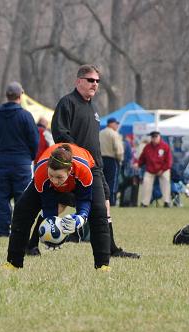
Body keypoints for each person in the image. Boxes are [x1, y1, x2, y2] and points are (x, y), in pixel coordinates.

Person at [51, 63, 137, 263]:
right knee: (61, 205)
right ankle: (30, 242)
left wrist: (95, 162)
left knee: (105, 204)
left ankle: (112, 248)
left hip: (95, 167)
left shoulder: (92, 107)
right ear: (78, 81)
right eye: (90, 80)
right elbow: (60, 134)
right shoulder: (67, 103)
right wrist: (75, 159)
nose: (95, 84)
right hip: (75, 167)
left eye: (97, 81)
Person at [3, 143, 94, 269]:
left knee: (99, 209)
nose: (55, 181)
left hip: (87, 170)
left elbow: (85, 199)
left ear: (70, 170)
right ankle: (13, 263)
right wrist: (52, 231)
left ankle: (103, 263)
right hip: (47, 184)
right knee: (21, 211)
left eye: (59, 177)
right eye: (51, 175)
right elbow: (48, 203)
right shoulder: (41, 173)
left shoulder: (83, 171)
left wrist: (81, 217)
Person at [0, 81, 39, 237]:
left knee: (1, 198)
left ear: (7, 96)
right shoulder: (25, 115)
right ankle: (19, 229)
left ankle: (3, 230)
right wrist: (29, 156)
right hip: (22, 163)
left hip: (2, 162)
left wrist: (0, 153)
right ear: (20, 95)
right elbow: (34, 140)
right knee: (22, 198)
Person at [136, 131, 173, 207]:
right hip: (150, 169)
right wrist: (138, 164)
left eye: (156, 137)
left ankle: (167, 202)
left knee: (166, 182)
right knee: (146, 183)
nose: (154, 138)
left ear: (159, 137)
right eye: (153, 137)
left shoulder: (165, 146)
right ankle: (145, 203)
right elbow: (142, 158)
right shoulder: (147, 147)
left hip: (163, 169)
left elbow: (169, 161)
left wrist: (163, 170)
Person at [100, 117, 124, 206]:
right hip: (112, 160)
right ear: (111, 124)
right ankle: (111, 201)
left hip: (100, 159)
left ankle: (102, 200)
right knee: (112, 182)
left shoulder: (100, 133)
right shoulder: (114, 134)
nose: (117, 125)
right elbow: (119, 149)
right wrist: (120, 159)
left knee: (102, 181)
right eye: (116, 123)